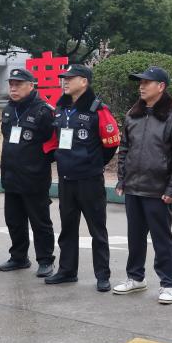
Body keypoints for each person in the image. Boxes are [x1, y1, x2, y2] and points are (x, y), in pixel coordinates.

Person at [113, 66, 172, 304]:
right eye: (140, 82)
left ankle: (167, 283)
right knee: (134, 237)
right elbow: (124, 148)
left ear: (161, 86)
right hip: (133, 186)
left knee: (161, 239)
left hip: (158, 190)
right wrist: (122, 178)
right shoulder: (133, 113)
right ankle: (135, 278)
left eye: (147, 82)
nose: (142, 86)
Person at [44, 64, 120, 292]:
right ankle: (67, 271)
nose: (65, 82)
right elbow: (54, 139)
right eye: (64, 78)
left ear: (84, 81)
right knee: (67, 228)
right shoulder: (61, 108)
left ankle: (102, 275)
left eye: (70, 78)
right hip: (66, 179)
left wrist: (93, 162)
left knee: (97, 229)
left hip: (89, 180)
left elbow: (111, 142)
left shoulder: (98, 110)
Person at [0, 68, 58, 277]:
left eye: (18, 84)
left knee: (40, 222)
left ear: (31, 86)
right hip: (11, 176)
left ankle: (45, 260)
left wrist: (36, 164)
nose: (13, 88)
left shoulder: (43, 111)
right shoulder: (8, 109)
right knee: (14, 221)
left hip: (34, 177)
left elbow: (53, 144)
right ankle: (19, 257)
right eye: (11, 84)